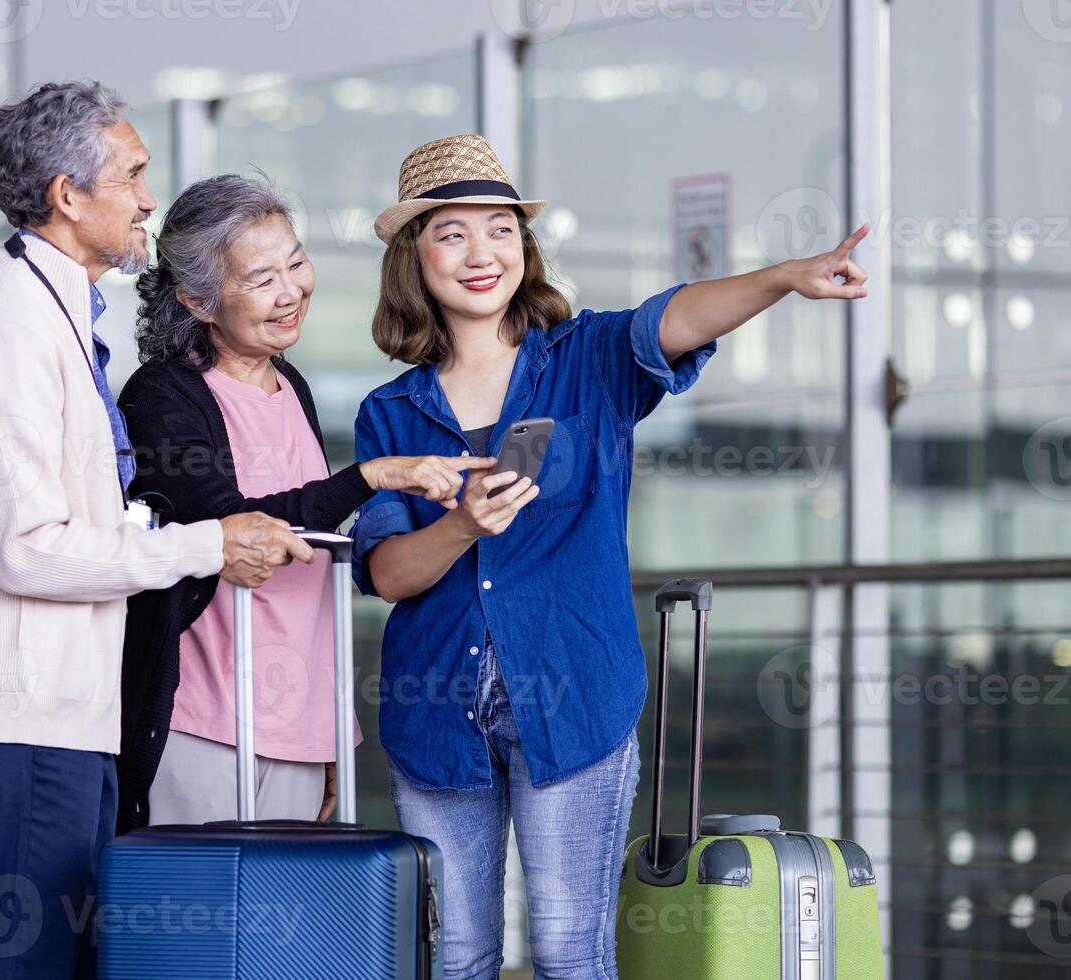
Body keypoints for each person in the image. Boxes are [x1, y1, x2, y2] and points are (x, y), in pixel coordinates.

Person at [350, 133, 870, 979]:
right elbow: (386, 574)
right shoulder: (390, 411)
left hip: (574, 700)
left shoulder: (587, 359)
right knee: (456, 957)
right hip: (435, 707)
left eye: (501, 229)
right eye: (452, 233)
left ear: (526, 246)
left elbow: (679, 315)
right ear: (415, 257)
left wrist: (783, 277)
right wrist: (462, 527)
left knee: (567, 952)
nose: (482, 252)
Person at [0, 82, 313, 979]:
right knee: (31, 961)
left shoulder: (53, 316)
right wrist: (208, 543)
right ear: (68, 196)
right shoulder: (8, 327)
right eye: (132, 174)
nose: (149, 199)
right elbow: (31, 548)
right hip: (27, 703)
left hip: (66, 703)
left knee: (66, 958)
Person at [114, 173, 478, 831]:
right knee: (199, 924)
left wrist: (327, 729)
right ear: (198, 301)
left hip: (296, 727)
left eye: (297, 263)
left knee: (285, 930)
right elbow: (227, 525)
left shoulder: (290, 384)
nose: (292, 292)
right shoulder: (162, 395)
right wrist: (368, 477)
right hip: (205, 719)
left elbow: (307, 561)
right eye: (261, 280)